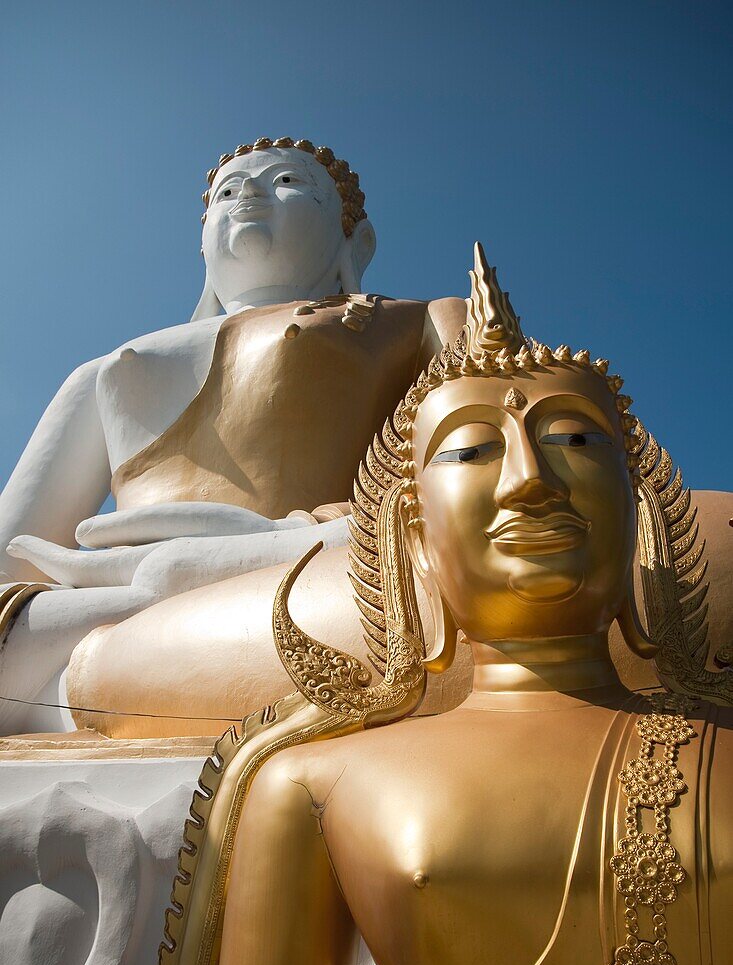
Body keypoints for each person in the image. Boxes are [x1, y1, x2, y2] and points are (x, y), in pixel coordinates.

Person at [138, 247, 732, 965]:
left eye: (572, 438)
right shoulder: (315, 782)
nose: (531, 481)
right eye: (469, 452)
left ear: (638, 511)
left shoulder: (719, 745)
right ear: (410, 537)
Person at [0, 137, 464, 733]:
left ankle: (118, 668)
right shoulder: (110, 370)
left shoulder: (422, 323)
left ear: (357, 239)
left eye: (288, 182)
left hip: (327, 579)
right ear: (201, 243)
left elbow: (488, 495)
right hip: (99, 610)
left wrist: (273, 542)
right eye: (226, 191)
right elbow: (10, 564)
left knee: (477, 610)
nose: (247, 192)